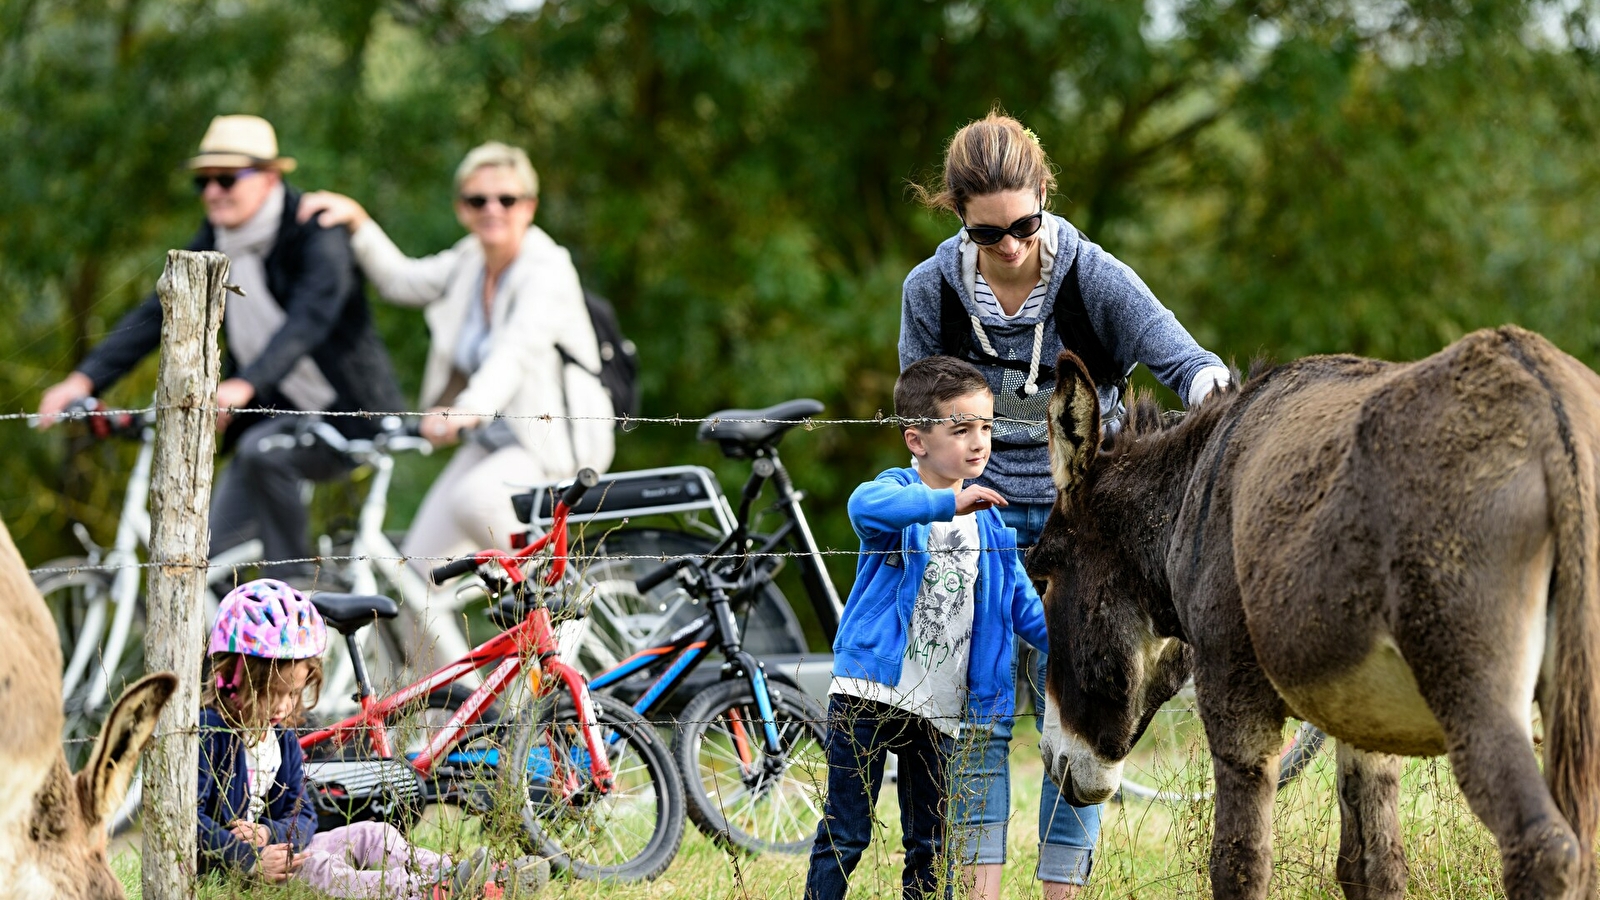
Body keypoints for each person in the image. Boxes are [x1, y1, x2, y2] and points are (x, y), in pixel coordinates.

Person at [900, 110, 1231, 898]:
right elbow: (915, 421)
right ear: (958, 219)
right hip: (972, 524)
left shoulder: (1095, 279)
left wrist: (1223, 400)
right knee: (978, 711)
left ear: (1044, 197)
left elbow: (1187, 361)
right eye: (988, 233)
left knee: (1080, 708)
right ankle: (979, 886)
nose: (1010, 245)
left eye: (1024, 223)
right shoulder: (929, 292)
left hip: (1083, 531)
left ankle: (1062, 889)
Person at [35, 114, 406, 583]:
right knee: (209, 552)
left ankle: (296, 607)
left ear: (269, 178)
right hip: (274, 418)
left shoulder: (316, 231)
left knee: (262, 453)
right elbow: (159, 311)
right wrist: (83, 380)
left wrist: (244, 385)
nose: (213, 191)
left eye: (227, 178)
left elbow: (309, 322)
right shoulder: (218, 239)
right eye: (204, 181)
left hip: (349, 415)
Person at [295, 142, 613, 581]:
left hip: (549, 441)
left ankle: (561, 616)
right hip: (492, 445)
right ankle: (453, 649)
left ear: (530, 206)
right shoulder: (470, 260)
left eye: (507, 199)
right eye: (477, 200)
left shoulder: (547, 269)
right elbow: (402, 282)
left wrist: (466, 409)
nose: (492, 209)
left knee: (476, 500)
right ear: (462, 208)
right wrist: (359, 223)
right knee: (418, 577)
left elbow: (516, 350)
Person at [804, 356, 1050, 900]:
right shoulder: (899, 492)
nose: (978, 442)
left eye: (986, 427)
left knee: (930, 845)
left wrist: (1068, 643)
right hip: (870, 691)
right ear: (917, 440)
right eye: (960, 429)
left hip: (940, 708)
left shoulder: (992, 525)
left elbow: (1023, 605)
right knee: (846, 832)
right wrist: (947, 502)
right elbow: (864, 507)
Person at [197, 578, 546, 897]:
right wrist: (247, 856)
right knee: (323, 868)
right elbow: (191, 822)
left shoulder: (280, 736)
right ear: (233, 676)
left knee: (373, 833)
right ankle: (428, 892)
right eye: (275, 692)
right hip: (242, 866)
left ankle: (465, 876)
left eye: (295, 693)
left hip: (279, 851)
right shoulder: (209, 736)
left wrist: (270, 833)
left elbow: (302, 815)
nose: (286, 706)